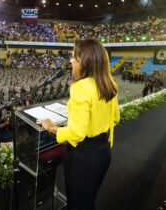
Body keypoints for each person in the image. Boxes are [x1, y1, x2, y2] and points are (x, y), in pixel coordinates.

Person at [37, 39, 120, 210]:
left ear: (85, 61)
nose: (70, 61)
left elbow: (77, 133)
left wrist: (51, 127)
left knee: (76, 204)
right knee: (87, 202)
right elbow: (115, 118)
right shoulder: (109, 83)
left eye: (74, 57)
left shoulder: (81, 87)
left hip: (83, 156)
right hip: (103, 152)